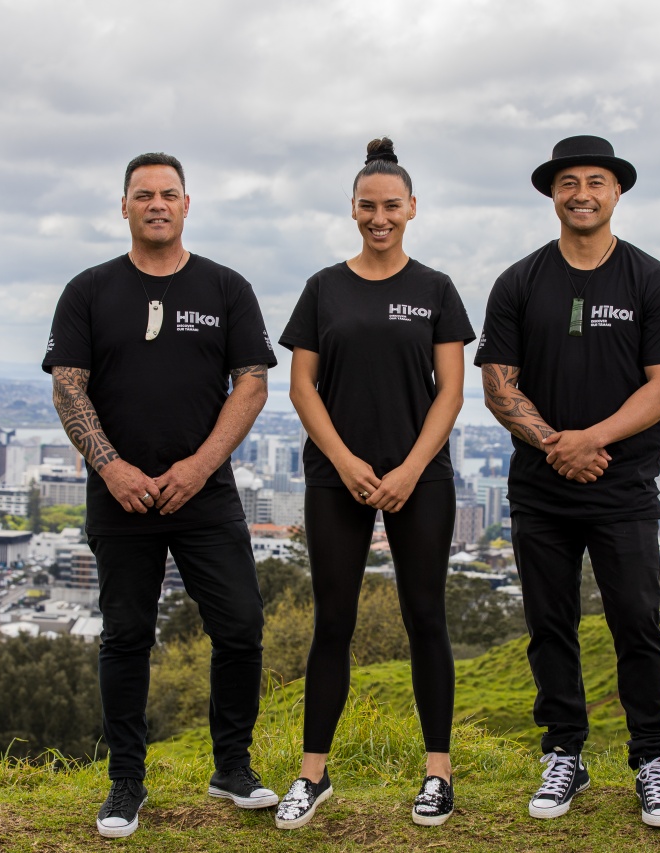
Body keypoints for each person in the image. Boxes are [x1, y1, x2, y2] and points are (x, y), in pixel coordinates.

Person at [42, 152, 279, 838]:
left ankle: (232, 766)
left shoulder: (226, 288)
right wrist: (112, 467)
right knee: (125, 635)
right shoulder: (88, 290)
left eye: (168, 194)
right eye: (142, 194)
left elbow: (253, 382)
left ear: (186, 204)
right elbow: (68, 384)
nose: (156, 203)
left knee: (240, 624)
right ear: (123, 206)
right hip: (118, 494)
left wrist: (200, 467)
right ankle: (126, 782)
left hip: (205, 492)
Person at [474, 135, 660, 828]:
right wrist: (555, 446)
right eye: (569, 182)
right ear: (552, 193)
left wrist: (591, 440)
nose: (582, 193)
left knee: (637, 621)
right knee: (549, 625)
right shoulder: (517, 282)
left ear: (616, 192)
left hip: (623, 483)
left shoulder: (652, 281)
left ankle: (651, 760)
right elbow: (496, 386)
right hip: (540, 489)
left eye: (595, 181)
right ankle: (565, 751)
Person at [273, 137, 474, 829]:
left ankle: (438, 775)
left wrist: (411, 468)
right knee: (334, 621)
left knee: (426, 618)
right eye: (367, 205)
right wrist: (350, 462)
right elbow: (302, 387)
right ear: (352, 209)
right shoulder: (323, 288)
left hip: (421, 476)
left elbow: (450, 392)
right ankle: (311, 774)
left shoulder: (437, 290)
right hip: (338, 478)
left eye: (391, 205)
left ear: (413, 208)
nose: (379, 216)